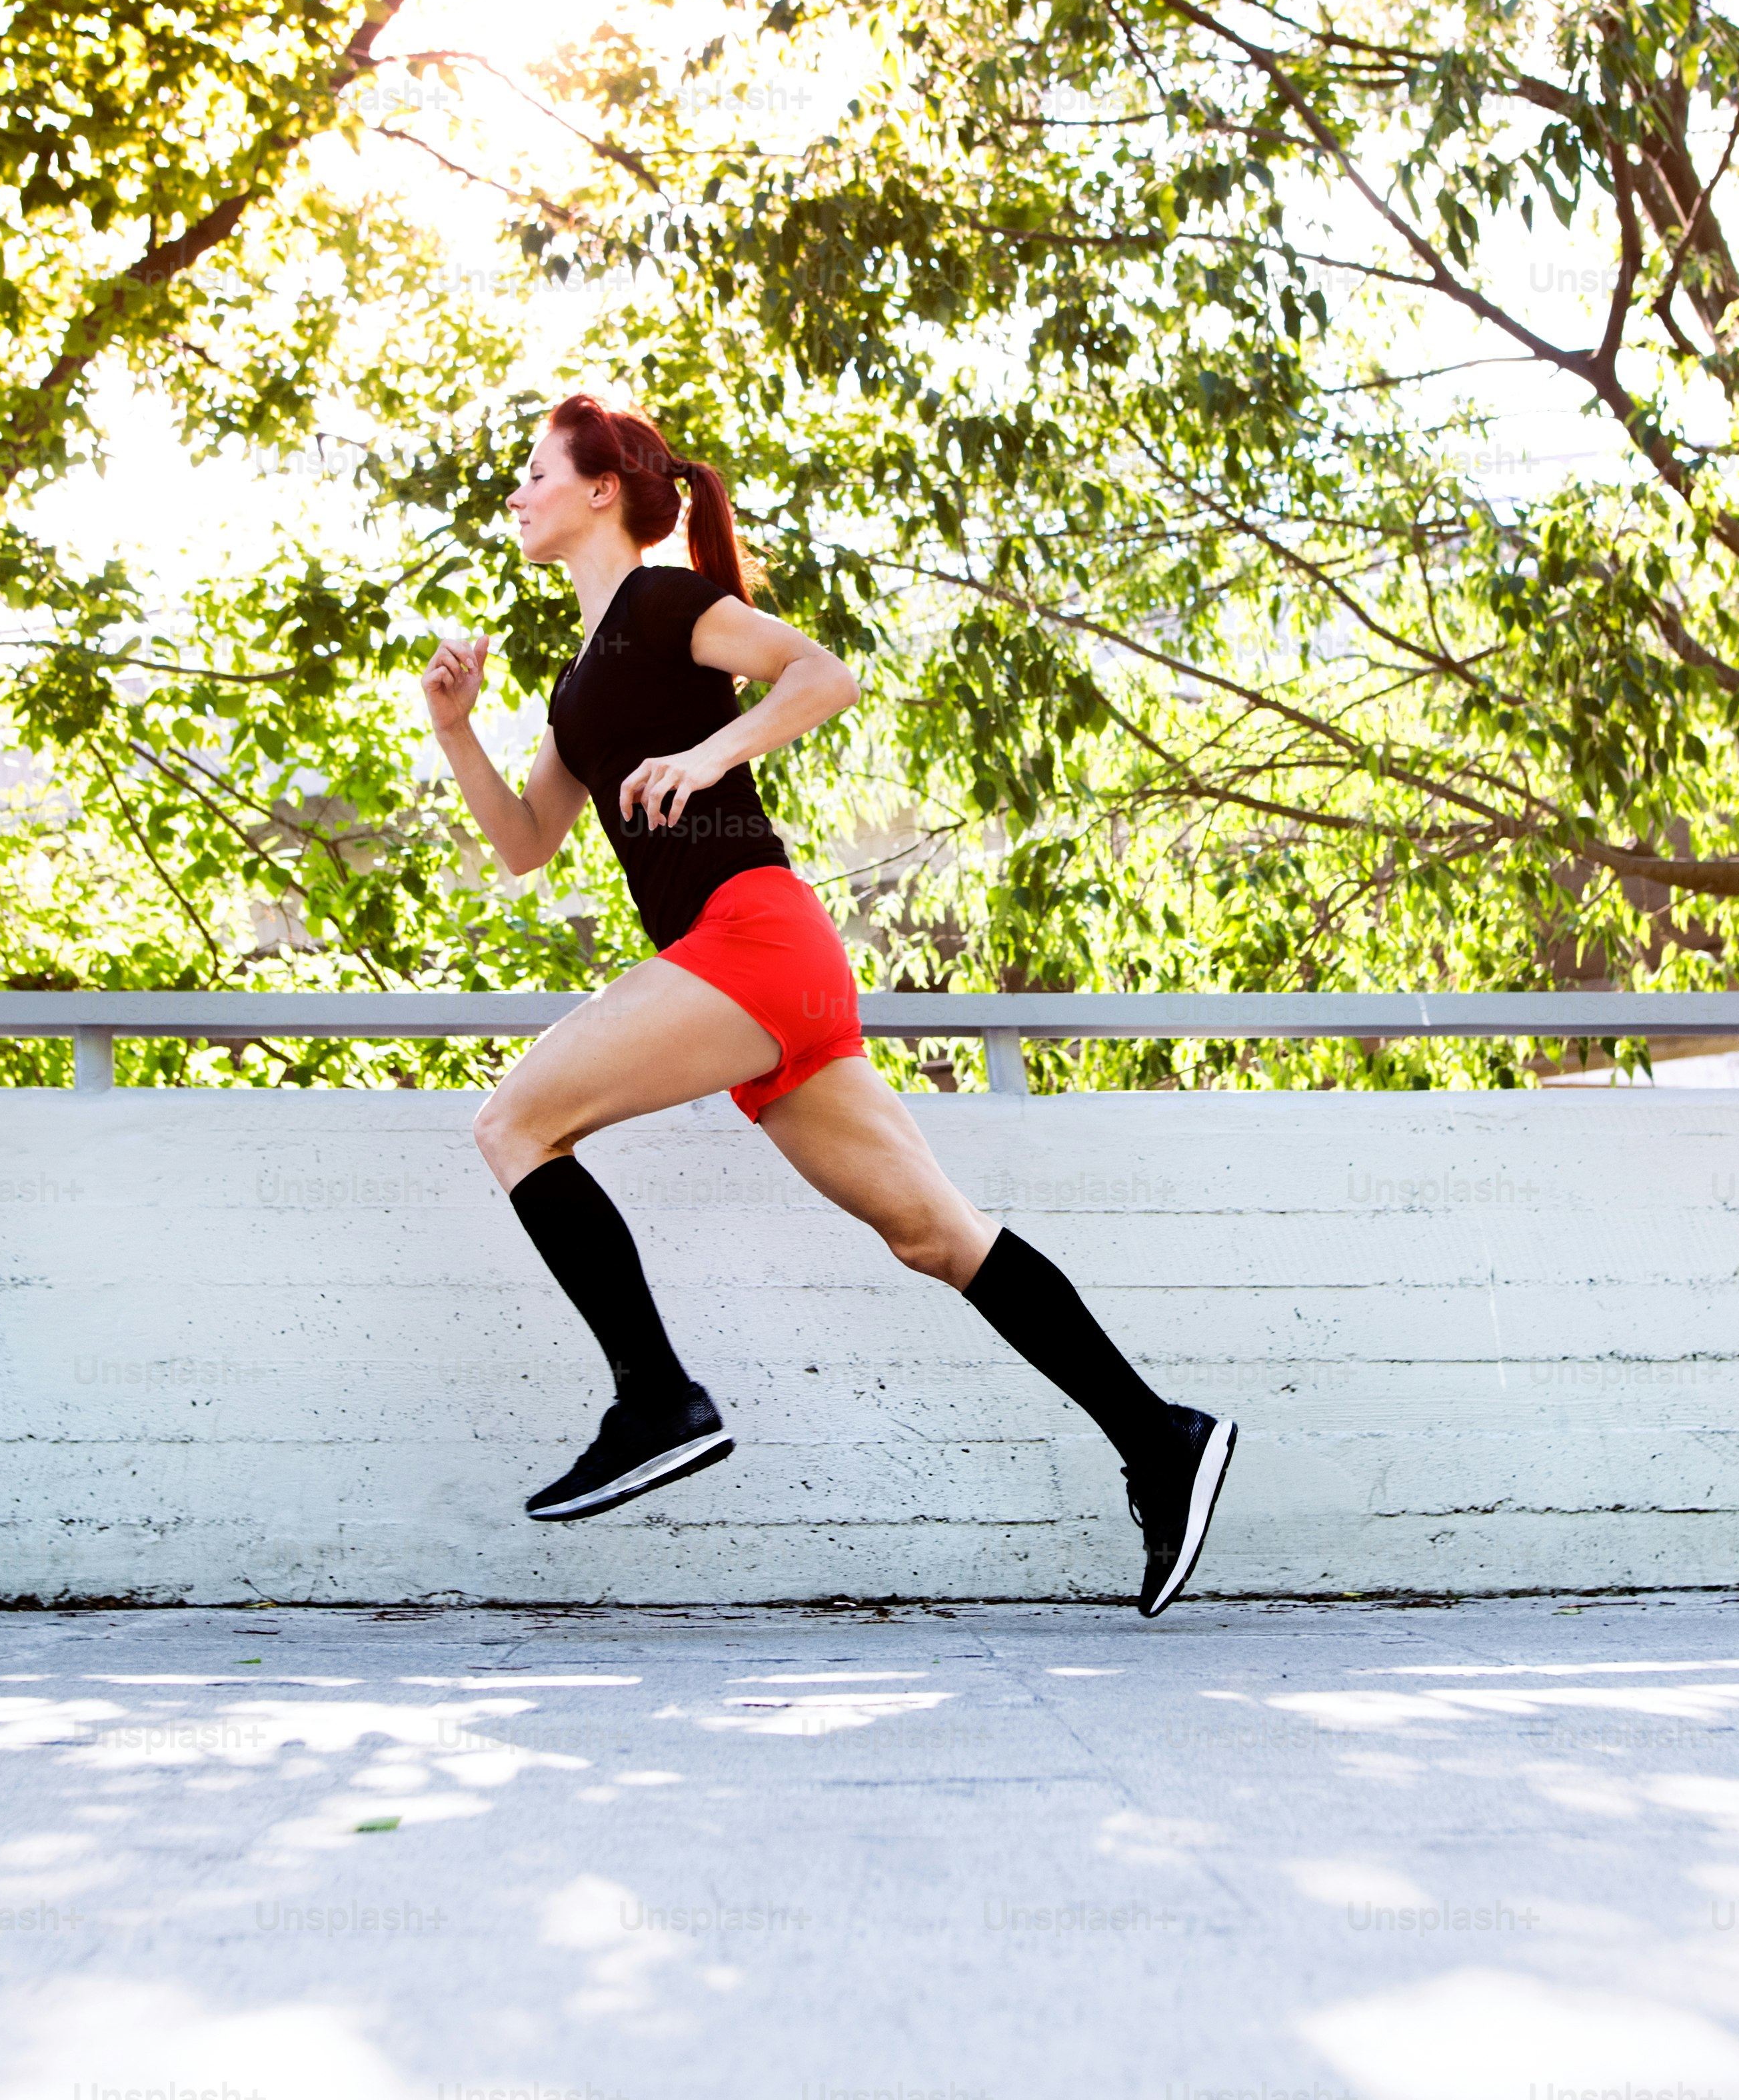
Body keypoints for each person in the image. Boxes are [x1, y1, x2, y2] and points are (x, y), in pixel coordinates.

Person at [417, 393, 1236, 1618]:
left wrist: (710, 755)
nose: (516, 493)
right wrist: (454, 731)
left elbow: (824, 674)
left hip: (749, 940)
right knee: (937, 1237)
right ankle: (1160, 1437)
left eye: (535, 470)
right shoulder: (579, 680)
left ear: (600, 491)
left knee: (514, 1123)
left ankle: (656, 1399)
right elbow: (528, 843)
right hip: (754, 979)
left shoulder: (667, 604)